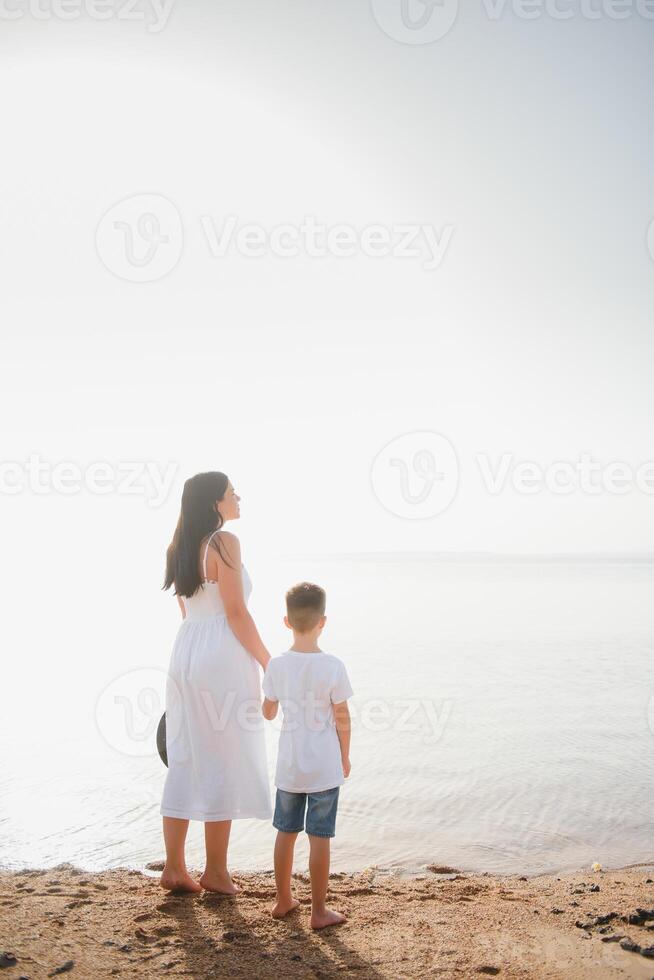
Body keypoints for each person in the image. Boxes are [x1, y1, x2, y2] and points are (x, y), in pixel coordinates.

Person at [159, 471, 272, 894]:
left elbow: (187, 612)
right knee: (222, 755)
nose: (238, 497)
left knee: (187, 752)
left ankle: (174, 867)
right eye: (231, 493)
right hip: (221, 653)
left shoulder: (179, 546)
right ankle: (216, 872)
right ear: (214, 503)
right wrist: (266, 662)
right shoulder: (224, 543)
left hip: (186, 650)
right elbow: (236, 613)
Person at [262, 582, 353, 929]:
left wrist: (271, 696)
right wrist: (345, 757)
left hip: (290, 767)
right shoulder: (332, 666)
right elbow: (343, 719)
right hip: (324, 767)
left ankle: (283, 900)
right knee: (320, 837)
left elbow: (268, 712)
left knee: (285, 832)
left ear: (286, 621)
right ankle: (318, 911)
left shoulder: (277, 665)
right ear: (323, 622)